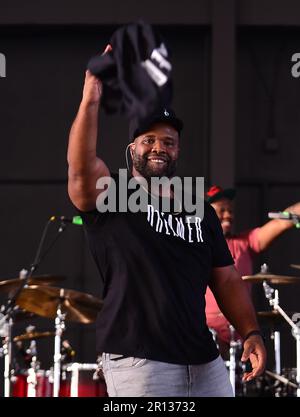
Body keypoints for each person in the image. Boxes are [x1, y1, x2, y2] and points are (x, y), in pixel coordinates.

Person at [67, 45, 266, 397]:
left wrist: (250, 332)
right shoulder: (114, 192)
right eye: (149, 140)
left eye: (168, 142)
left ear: (178, 151)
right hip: (140, 361)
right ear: (133, 149)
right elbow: (81, 170)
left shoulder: (198, 206)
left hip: (204, 361)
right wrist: (92, 98)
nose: (159, 147)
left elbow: (226, 277)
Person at [205, 185, 300, 349]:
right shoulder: (194, 245)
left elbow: (281, 222)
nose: (228, 215)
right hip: (205, 336)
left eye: (230, 210)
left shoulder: (245, 242)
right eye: (221, 210)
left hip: (239, 336)